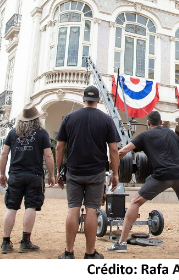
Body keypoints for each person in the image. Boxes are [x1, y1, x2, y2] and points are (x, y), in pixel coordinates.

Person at [107, 111, 179, 255]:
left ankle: (121, 243)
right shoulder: (172, 134)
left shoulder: (144, 135)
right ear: (161, 122)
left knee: (135, 202)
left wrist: (112, 163)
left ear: (148, 123)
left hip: (162, 175)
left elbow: (122, 152)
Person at [55, 86, 119, 260]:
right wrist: (115, 174)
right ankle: (90, 253)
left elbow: (59, 147)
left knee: (72, 209)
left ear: (83, 100)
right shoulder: (106, 120)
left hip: (74, 172)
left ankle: (69, 252)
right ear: (98, 100)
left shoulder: (69, 118)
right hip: (96, 172)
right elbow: (114, 150)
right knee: (92, 210)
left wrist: (58, 171)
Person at [0, 103, 55, 254]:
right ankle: (25, 241)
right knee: (30, 207)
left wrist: (2, 173)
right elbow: (48, 155)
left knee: (11, 207)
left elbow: (4, 154)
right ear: (36, 119)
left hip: (15, 174)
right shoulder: (41, 133)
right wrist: (52, 175)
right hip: (34, 175)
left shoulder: (12, 133)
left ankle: (5, 242)